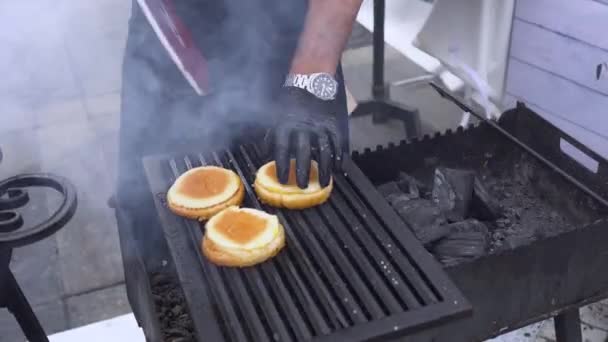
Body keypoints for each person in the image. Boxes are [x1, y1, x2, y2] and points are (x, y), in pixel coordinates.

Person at [115, 0, 363, 293]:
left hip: (295, 40)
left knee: (323, 252)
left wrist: (311, 79)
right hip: (168, 34)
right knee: (156, 241)